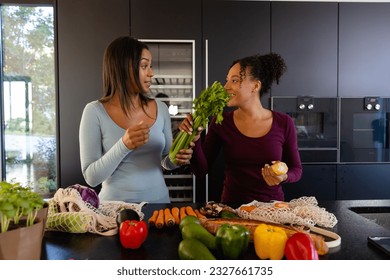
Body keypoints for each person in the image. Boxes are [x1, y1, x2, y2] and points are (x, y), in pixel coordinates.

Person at [79, 36, 193, 203]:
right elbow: (91, 177)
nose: (151, 73)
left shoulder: (160, 108)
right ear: (124, 68)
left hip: (159, 206)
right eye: (144, 66)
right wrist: (124, 145)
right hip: (114, 211)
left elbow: (165, 161)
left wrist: (178, 159)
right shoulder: (94, 111)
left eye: (151, 66)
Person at [179, 53, 303, 204]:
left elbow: (296, 169)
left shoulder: (284, 122)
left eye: (235, 80)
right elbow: (200, 171)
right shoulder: (221, 122)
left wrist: (283, 177)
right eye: (227, 80)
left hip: (272, 209)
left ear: (256, 86)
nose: (226, 87)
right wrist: (195, 139)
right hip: (233, 210)